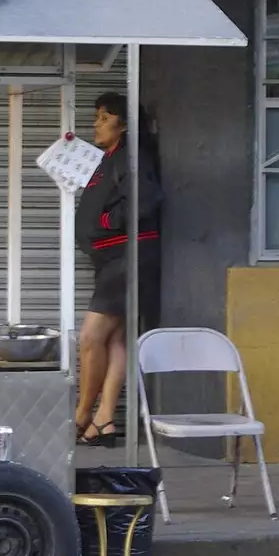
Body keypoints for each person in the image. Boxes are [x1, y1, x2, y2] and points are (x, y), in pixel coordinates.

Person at [73, 93, 163, 447]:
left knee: (90, 338)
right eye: (96, 117)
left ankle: (81, 415)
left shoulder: (131, 156)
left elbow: (148, 198)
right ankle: (105, 419)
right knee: (115, 338)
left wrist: (108, 220)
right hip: (114, 260)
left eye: (104, 117)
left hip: (128, 258)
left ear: (123, 124)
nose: (96, 123)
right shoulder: (108, 159)